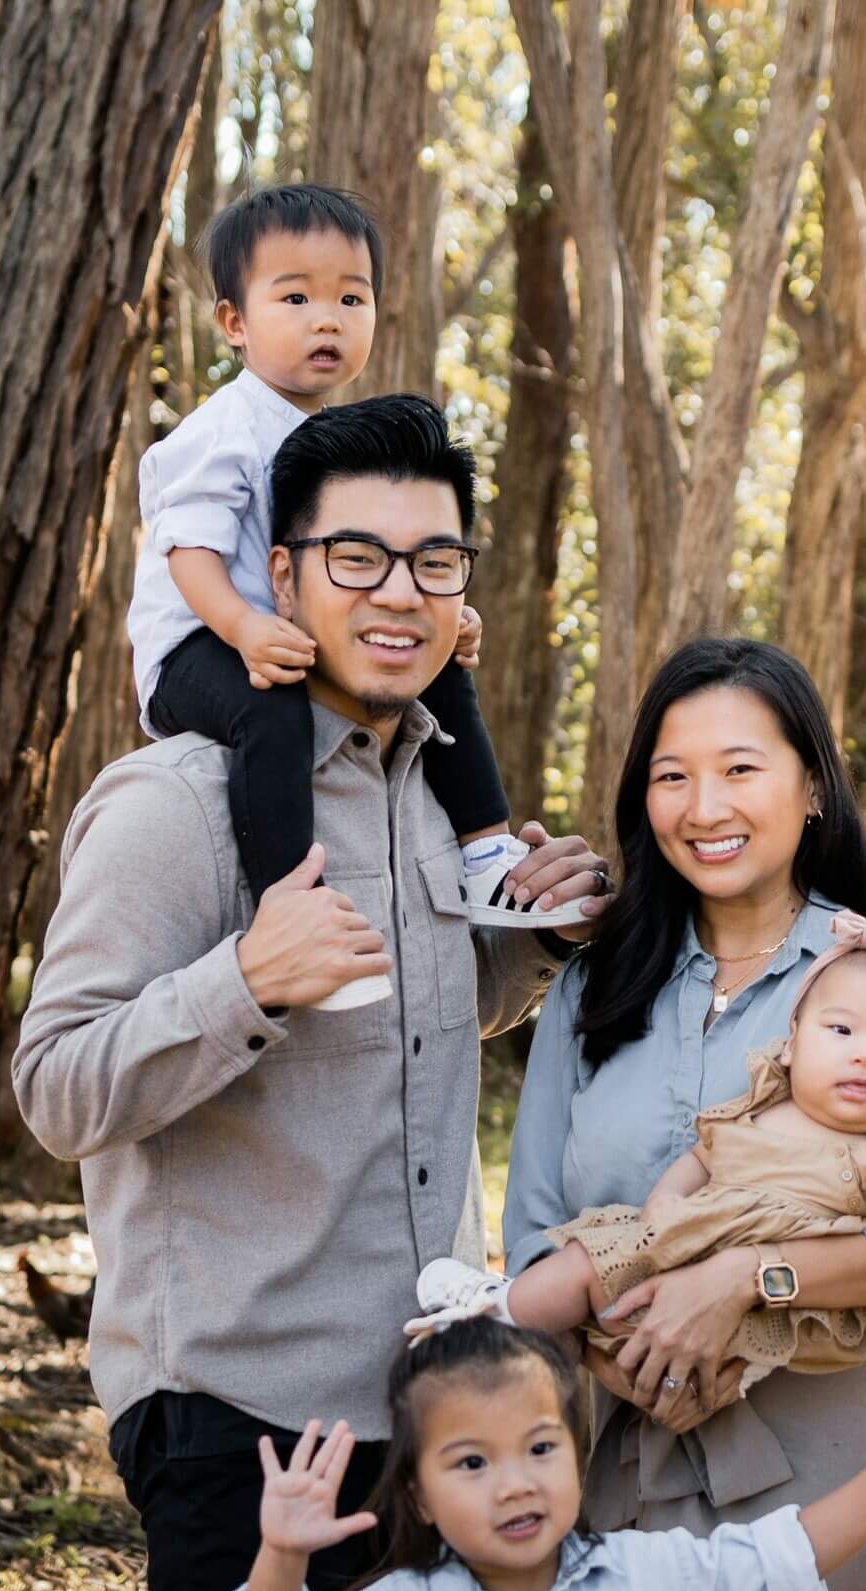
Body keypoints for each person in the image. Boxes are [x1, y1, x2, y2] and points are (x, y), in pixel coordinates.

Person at [14, 395, 613, 1591]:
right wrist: (241, 978)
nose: (400, 593)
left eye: (434, 561)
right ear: (278, 575)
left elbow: (421, 1016)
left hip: (435, 1409)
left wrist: (541, 937)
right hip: (240, 1422)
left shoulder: (439, 803)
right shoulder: (176, 804)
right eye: (357, 557)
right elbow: (55, 1088)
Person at [500, 635, 866, 1591]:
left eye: (739, 768)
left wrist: (740, 1281)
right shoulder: (593, 983)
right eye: (671, 775)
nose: (702, 804)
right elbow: (536, 1214)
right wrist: (608, 1338)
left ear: (810, 785)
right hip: (603, 1437)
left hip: (804, 1456)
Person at [123, 184, 559, 1010]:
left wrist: (442, 613)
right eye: (295, 297)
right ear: (234, 323)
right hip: (198, 644)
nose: (326, 319)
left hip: (277, 631)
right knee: (276, 711)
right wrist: (245, 628)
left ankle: (486, 848)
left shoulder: (331, 441)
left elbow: (367, 567)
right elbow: (189, 555)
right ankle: (292, 907)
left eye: (350, 298)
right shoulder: (220, 431)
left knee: (434, 676)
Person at [211, 1318, 866, 1591]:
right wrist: (282, 1555)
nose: (515, 1484)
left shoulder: (656, 1576)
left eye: (540, 1449)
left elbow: (787, 1553)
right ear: (418, 1497)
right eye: (472, 1463)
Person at [407, 911, 866, 1416]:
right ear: (793, 1042)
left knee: (603, 1275)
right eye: (843, 1031)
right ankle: (498, 1311)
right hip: (673, 1265)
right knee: (589, 1260)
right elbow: (699, 1160)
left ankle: (497, 1314)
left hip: (773, 1319)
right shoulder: (759, 1109)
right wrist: (660, 1216)